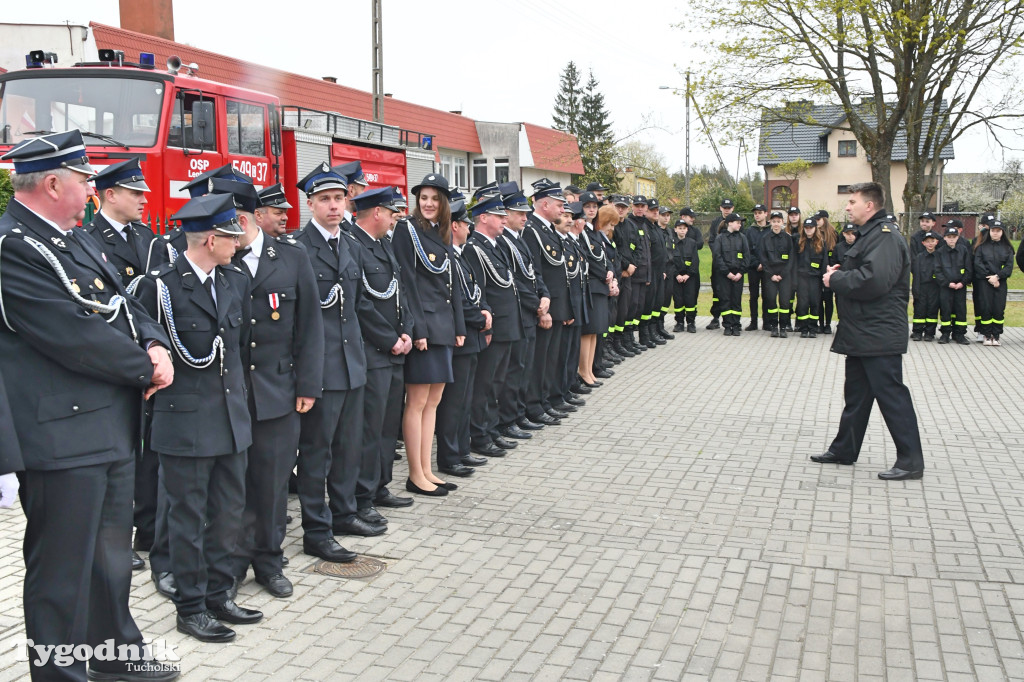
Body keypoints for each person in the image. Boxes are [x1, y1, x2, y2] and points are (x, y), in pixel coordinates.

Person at [0, 131, 177, 681]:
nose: (90, 191)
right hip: (61, 436)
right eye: (83, 181)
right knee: (61, 570)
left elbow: (125, 301)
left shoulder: (73, 237)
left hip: (109, 425)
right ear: (53, 183)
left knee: (110, 559)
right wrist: (144, 367)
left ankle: (113, 653)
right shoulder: (14, 246)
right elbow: (71, 333)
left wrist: (153, 341)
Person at [134, 193, 263, 643]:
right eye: (231, 236)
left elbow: (239, 346)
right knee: (187, 519)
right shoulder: (160, 287)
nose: (238, 243)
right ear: (211, 238)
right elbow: (141, 348)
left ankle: (218, 593)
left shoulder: (233, 281)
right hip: (183, 422)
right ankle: (190, 607)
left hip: (230, 417)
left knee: (228, 513)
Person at [224, 177, 324, 600]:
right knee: (231, 485)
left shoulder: (291, 257)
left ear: (243, 218)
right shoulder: (217, 257)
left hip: (277, 388)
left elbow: (310, 329)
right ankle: (227, 565)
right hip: (229, 393)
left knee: (271, 482)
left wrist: (308, 384)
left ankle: (268, 560)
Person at [291, 163, 375, 561]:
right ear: (310, 204)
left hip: (351, 362)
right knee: (316, 452)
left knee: (348, 446)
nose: (333, 206)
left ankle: (343, 513)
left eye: (339, 198)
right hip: (320, 367)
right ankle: (316, 529)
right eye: (324, 199)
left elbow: (356, 307)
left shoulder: (352, 245)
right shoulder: (298, 249)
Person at [812, 181, 924, 481]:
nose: (847, 207)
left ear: (869, 206)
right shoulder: (870, 235)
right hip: (863, 331)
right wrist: (842, 273)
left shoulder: (885, 237)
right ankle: (844, 449)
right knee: (857, 396)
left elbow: (874, 280)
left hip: (879, 332)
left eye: (852, 202)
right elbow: (864, 271)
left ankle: (911, 461)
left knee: (892, 396)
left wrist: (834, 281)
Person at [85, 157, 160, 572]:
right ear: (109, 195)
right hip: (114, 358)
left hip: (146, 355)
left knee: (147, 448)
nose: (143, 201)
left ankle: (148, 527)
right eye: (135, 193)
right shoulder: (88, 240)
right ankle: (118, 536)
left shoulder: (149, 238)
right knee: (120, 453)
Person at [391, 174, 466, 494]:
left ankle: (427, 469)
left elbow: (452, 285)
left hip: (444, 326)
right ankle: (415, 474)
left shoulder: (442, 232)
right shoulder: (407, 230)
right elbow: (405, 284)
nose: (429, 204)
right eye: (424, 198)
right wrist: (417, 328)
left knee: (433, 401)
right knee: (417, 401)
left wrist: (459, 327)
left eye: (435, 198)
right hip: (425, 329)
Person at [435, 200, 491, 478]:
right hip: (461, 337)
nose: (470, 227)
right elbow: (457, 300)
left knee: (465, 399)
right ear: (454, 225)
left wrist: (486, 312)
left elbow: (475, 292)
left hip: (472, 338)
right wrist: (480, 318)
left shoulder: (461, 255)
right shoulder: (447, 256)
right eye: (466, 223)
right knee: (452, 403)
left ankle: (462, 450)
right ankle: (449, 457)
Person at [465, 194, 524, 456]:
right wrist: (486, 327)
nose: (503, 220)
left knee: (497, 381)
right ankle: (479, 435)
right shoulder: (474, 248)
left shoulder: (494, 245)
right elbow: (480, 292)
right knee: (485, 384)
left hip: (507, 324)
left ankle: (492, 429)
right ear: (483, 217)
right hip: (493, 327)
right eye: (499, 216)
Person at [496, 183, 549, 437]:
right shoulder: (503, 241)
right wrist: (535, 304)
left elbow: (533, 273)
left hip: (529, 312)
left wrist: (545, 295)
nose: (525, 218)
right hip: (519, 312)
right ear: (505, 214)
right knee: (514, 370)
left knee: (524, 367)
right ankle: (509, 418)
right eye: (520, 213)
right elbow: (513, 280)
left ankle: (518, 414)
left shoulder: (519, 239)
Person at [523, 179, 571, 426]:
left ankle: (546, 401)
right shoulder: (531, 230)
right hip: (545, 307)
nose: (563, 210)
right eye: (559, 205)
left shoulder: (548, 230)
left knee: (551, 359)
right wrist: (544, 309)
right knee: (540, 360)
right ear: (544, 204)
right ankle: (534, 405)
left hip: (557, 306)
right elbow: (536, 272)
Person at [579, 194, 615, 385]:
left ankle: (590, 369)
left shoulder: (594, 231)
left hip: (600, 284)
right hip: (592, 284)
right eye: (588, 206)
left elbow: (603, 256)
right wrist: (604, 274)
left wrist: (610, 271)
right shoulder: (582, 231)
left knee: (596, 330)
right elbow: (588, 258)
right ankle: (584, 371)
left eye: (595, 206)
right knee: (589, 330)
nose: (592, 210)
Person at [973, 219, 1014, 346]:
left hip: (1000, 283)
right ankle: (986, 335)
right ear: (989, 231)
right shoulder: (981, 247)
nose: (995, 233)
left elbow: (1008, 267)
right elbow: (978, 264)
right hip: (985, 282)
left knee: (998, 309)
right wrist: (989, 277)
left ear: (1002, 232)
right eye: (993, 231)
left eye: (998, 231)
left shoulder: (1007, 248)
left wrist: (997, 277)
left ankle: (996, 336)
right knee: (986, 308)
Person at [711, 213, 748, 336]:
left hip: (738, 275)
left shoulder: (742, 238)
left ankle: (736, 326)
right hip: (724, 276)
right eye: (737, 222)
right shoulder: (720, 238)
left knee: (736, 300)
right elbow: (717, 257)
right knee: (725, 299)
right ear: (730, 223)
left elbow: (746, 257)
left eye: (740, 222)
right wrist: (727, 273)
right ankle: (727, 325)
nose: (740, 224)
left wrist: (740, 272)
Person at [759, 210, 794, 338]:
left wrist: (782, 275)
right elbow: (763, 258)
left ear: (782, 222)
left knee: (785, 303)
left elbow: (791, 259)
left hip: (784, 276)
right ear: (770, 222)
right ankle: (774, 327)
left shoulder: (788, 238)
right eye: (774, 221)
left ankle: (783, 327)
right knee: (771, 301)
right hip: (770, 276)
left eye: (778, 221)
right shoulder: (765, 238)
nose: (776, 224)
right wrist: (771, 275)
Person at [935, 225, 973, 345]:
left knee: (960, 310)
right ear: (944, 238)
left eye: (954, 237)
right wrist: (947, 283)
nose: (951, 239)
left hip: (960, 287)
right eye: (949, 237)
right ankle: (945, 333)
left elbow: (968, 268)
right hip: (946, 287)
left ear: (958, 237)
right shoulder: (940, 252)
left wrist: (963, 282)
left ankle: (960, 334)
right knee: (946, 309)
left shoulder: (963, 250)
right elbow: (937, 270)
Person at [795, 217, 827, 339]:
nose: (808, 230)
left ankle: (813, 327)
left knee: (814, 303)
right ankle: (803, 328)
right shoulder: (798, 241)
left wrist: (824, 280)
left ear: (815, 228)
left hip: (815, 278)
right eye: (806, 228)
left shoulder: (821, 243)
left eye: (811, 228)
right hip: (801, 278)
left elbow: (824, 262)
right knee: (803, 304)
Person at [910, 230, 940, 342]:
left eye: (932, 241)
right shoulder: (919, 257)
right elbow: (916, 275)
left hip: (934, 288)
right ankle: (917, 332)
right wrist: (915, 290)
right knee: (919, 310)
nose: (930, 243)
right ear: (923, 243)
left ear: (936, 242)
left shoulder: (939, 256)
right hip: (921, 287)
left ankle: (929, 333)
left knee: (932, 310)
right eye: (928, 242)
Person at [671, 218, 700, 333]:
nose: (682, 231)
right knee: (678, 300)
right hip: (676, 277)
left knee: (690, 300)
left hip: (690, 277)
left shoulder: (692, 243)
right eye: (680, 228)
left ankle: (691, 322)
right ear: (675, 229)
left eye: (684, 228)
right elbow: (670, 260)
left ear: (687, 230)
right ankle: (679, 322)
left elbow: (695, 261)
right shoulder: (671, 243)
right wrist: (676, 274)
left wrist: (688, 275)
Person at [744, 204, 770, 331]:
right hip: (753, 268)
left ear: (766, 213)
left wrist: (764, 264)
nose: (757, 215)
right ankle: (753, 322)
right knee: (753, 296)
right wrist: (756, 264)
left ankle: (767, 322)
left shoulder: (771, 229)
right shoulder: (750, 231)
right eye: (755, 213)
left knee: (767, 296)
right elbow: (747, 251)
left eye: (760, 212)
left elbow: (772, 250)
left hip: (767, 269)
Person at [815, 210, 838, 334]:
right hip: (818, 270)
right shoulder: (816, 234)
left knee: (828, 299)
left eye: (818, 219)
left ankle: (828, 324)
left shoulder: (834, 234)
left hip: (831, 270)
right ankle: (820, 323)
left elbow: (838, 251)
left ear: (825, 219)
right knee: (819, 299)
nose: (816, 222)